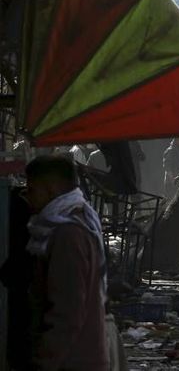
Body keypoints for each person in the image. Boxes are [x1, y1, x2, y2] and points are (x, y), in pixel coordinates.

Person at [25, 155, 107, 370]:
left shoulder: (67, 234)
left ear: (50, 189)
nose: (28, 198)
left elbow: (66, 313)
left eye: (31, 190)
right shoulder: (77, 223)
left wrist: (43, 362)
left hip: (72, 360)